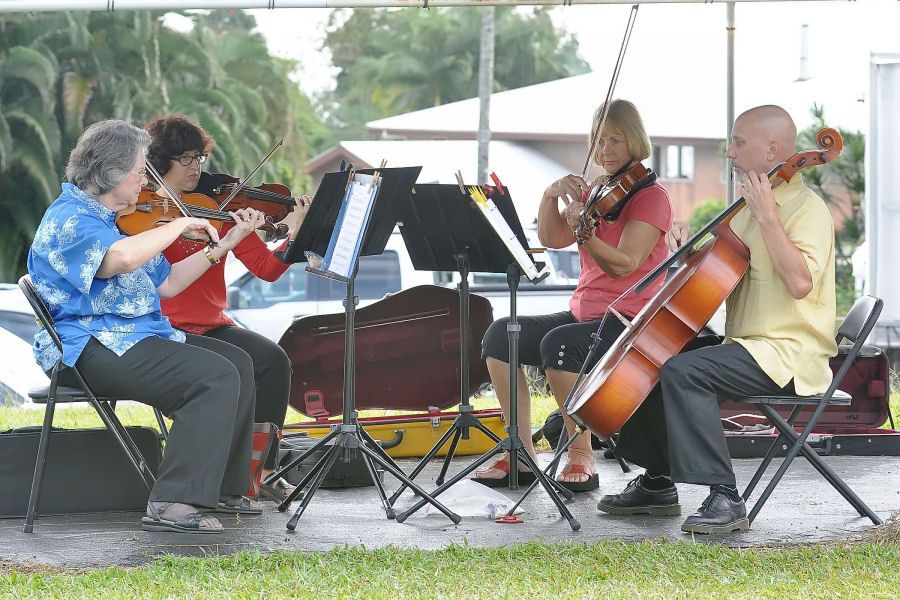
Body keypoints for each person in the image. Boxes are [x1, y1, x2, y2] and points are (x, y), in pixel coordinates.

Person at [599, 104, 838, 534]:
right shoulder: (748, 207)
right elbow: (723, 270)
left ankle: (725, 496)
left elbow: (800, 282)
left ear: (773, 150)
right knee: (657, 356)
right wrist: (691, 254)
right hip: (748, 344)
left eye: (738, 143)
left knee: (685, 371)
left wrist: (768, 217)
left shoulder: (806, 209)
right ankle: (658, 480)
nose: (729, 152)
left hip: (787, 354)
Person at [28, 119, 267, 534]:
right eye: (140, 171)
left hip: (130, 338)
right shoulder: (70, 217)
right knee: (213, 377)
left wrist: (224, 245)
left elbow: (168, 283)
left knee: (239, 363)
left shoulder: (111, 221)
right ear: (112, 171)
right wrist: (179, 225)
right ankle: (173, 502)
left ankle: (223, 489)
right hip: (86, 346)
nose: (145, 180)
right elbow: (116, 260)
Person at [474, 99, 673, 492]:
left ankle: (582, 454)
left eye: (616, 140)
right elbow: (552, 238)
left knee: (559, 346)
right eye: (599, 141)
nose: (605, 150)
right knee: (500, 336)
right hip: (585, 315)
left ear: (635, 140)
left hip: (629, 321)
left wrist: (586, 232)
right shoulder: (599, 189)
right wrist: (551, 196)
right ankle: (520, 451)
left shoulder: (651, 197)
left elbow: (624, 264)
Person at [144, 114, 310, 503]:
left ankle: (260, 471)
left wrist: (297, 232)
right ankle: (222, 474)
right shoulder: (142, 214)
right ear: (161, 159)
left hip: (212, 324)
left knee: (273, 361)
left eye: (199, 157)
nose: (196, 167)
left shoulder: (218, 208)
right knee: (235, 367)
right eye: (186, 158)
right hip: (166, 327)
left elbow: (267, 269)